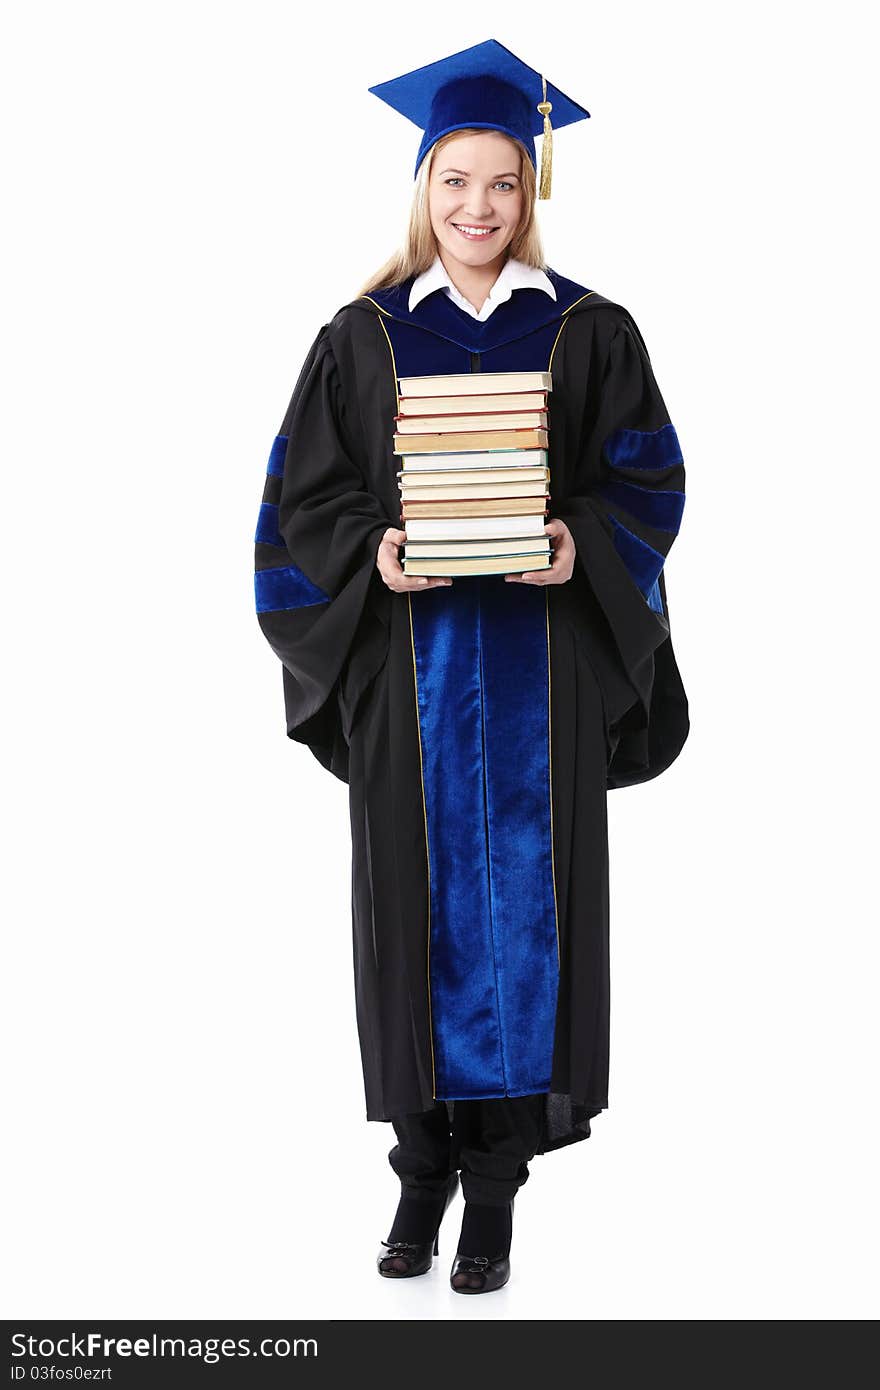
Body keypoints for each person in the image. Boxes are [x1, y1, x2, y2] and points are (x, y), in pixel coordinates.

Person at [253, 39, 689, 1295]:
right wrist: (372, 554)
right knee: (411, 911)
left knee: (531, 915)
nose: (479, 208)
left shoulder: (589, 331)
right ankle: (419, 1159)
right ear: (421, 186)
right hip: (409, 678)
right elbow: (303, 504)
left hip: (544, 671)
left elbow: (646, 480)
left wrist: (578, 542)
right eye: (455, 181)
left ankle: (495, 1184)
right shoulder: (364, 338)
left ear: (530, 189)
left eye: (502, 182)